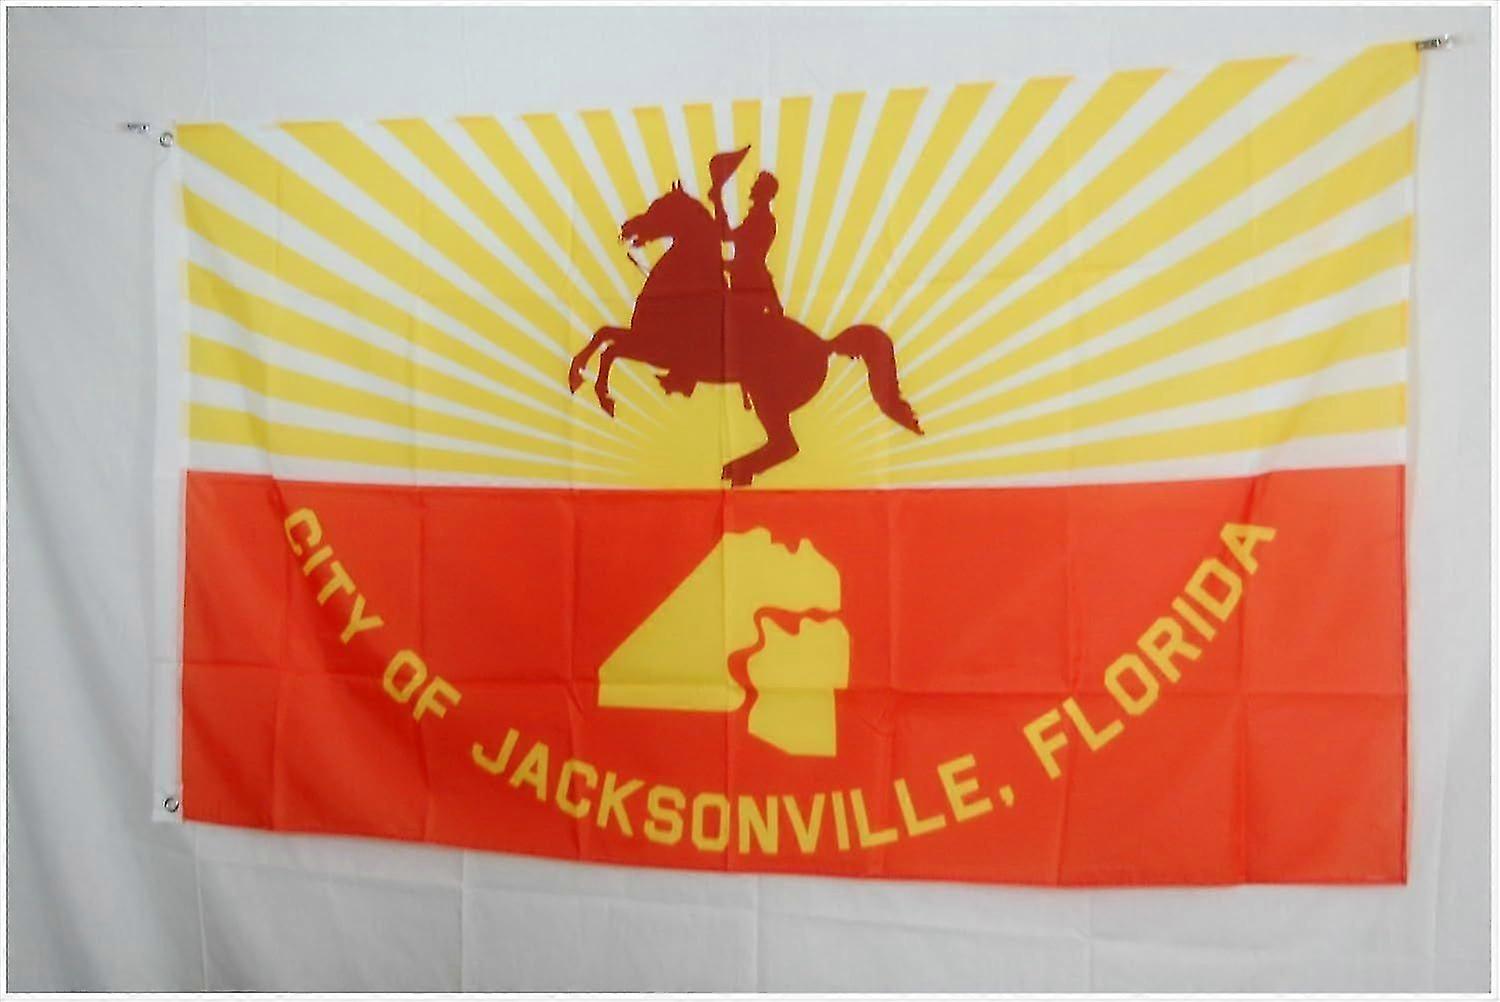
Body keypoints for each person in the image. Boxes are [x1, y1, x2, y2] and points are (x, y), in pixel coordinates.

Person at [707, 147, 783, 318]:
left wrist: (718, 202)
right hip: (746, 278)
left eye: (757, 184)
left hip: (750, 282)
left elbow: (728, 238)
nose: (752, 187)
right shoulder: (757, 217)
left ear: (765, 192)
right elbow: (726, 236)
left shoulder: (762, 219)